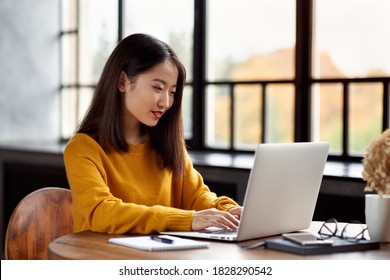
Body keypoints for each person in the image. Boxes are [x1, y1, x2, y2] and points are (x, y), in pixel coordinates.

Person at [64, 33, 242, 235]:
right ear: (123, 82)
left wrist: (229, 212)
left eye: (172, 92)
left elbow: (198, 197)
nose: (165, 102)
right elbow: (101, 212)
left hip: (158, 259)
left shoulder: (167, 145)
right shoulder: (82, 148)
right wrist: (187, 219)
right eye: (158, 87)